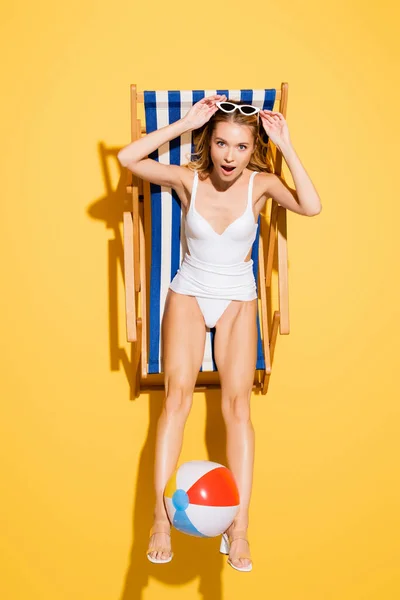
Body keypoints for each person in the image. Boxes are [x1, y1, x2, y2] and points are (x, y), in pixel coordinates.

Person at [117, 94, 322, 572]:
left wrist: (286, 146)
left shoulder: (261, 184)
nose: (230, 156)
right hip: (188, 294)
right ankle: (160, 519)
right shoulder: (190, 179)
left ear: (254, 150)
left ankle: (240, 528)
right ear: (209, 144)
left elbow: (311, 206)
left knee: (237, 407)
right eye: (223, 144)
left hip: (237, 300)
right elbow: (129, 159)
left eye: (242, 147)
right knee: (177, 400)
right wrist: (185, 123)